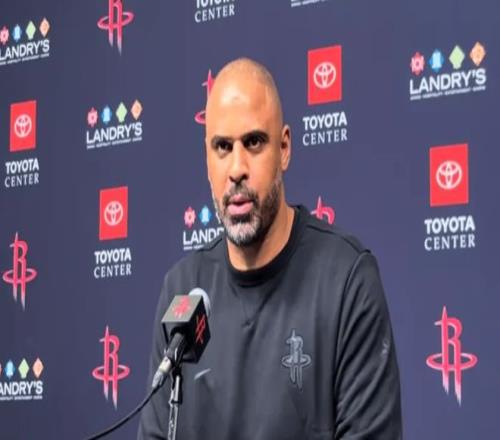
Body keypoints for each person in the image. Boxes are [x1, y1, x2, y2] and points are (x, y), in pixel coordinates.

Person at [138, 58, 402, 439]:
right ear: (207, 159)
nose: (237, 168)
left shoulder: (347, 281)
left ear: (284, 148)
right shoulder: (182, 289)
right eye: (222, 147)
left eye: (254, 142)